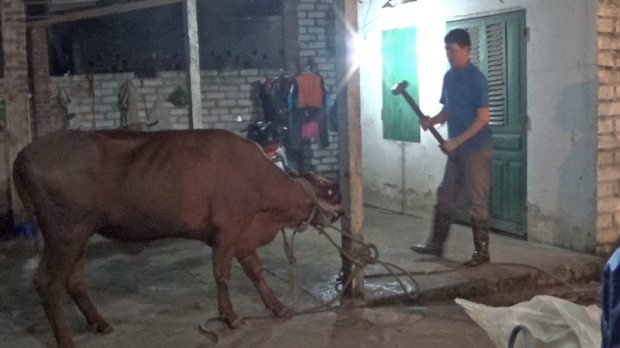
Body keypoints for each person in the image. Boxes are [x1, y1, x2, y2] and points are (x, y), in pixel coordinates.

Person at [411, 28, 493, 267]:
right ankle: (436, 244)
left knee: (476, 201)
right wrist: (432, 121)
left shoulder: (477, 79)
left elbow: (482, 118)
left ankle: (482, 252)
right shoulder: (449, 77)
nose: (449, 54)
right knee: (445, 196)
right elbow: (448, 110)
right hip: (456, 150)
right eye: (447, 49)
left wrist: (456, 141)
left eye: (454, 50)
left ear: (467, 50)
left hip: (476, 149)